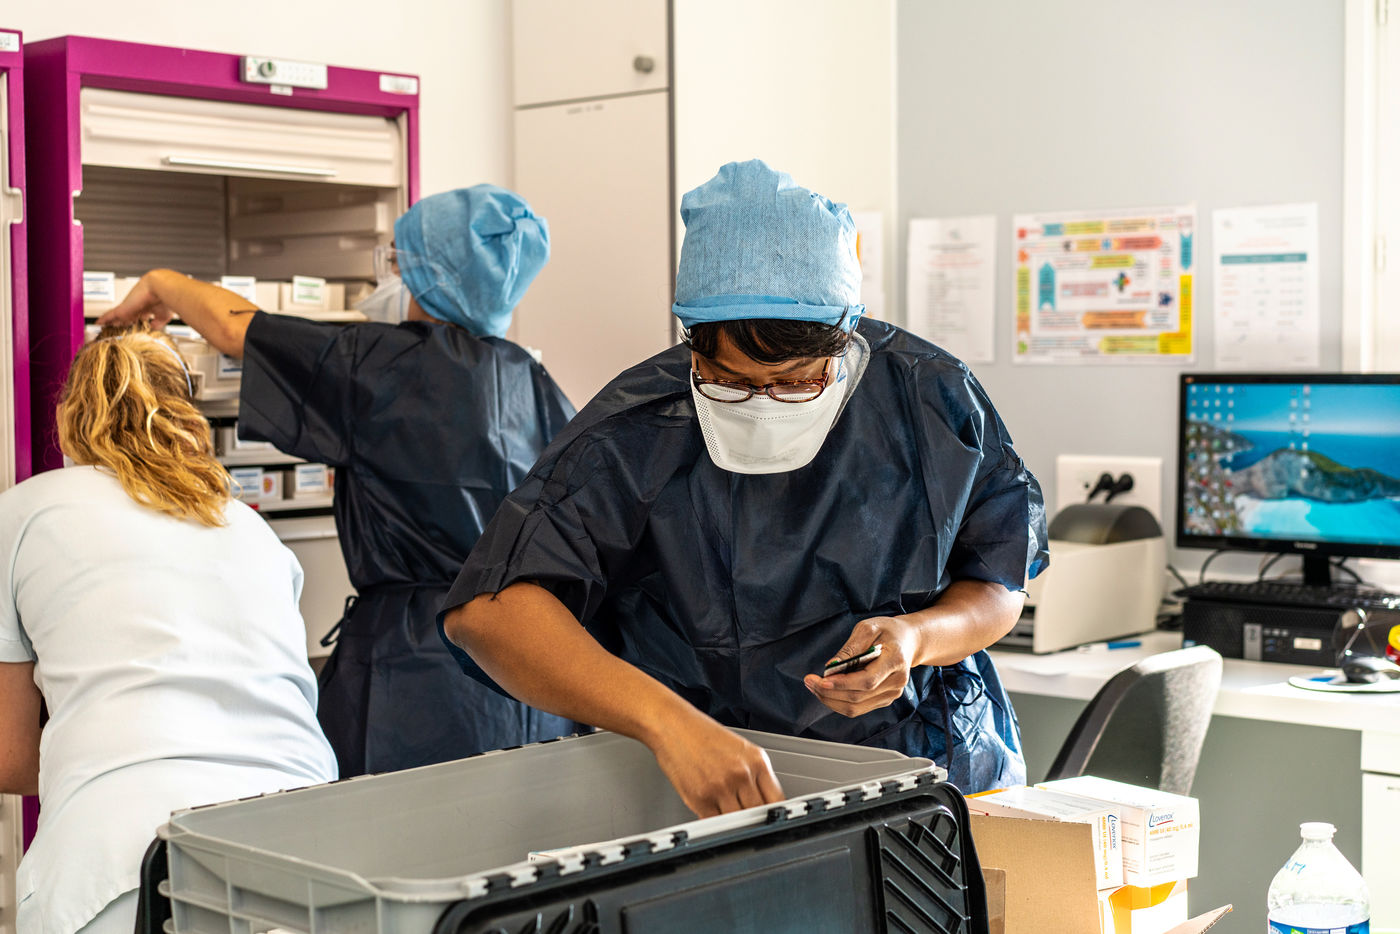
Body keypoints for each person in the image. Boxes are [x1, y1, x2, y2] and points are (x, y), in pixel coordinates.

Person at [441, 160, 1048, 817]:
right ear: (692, 345)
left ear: (845, 336)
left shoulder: (928, 397)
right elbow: (490, 614)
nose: (764, 403)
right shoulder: (636, 429)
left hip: (923, 771)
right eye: (729, 381)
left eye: (797, 382)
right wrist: (666, 722)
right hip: (707, 784)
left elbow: (998, 581)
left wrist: (916, 638)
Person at [99, 185, 579, 778]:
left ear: (429, 275)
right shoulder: (536, 382)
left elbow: (234, 327)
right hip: (531, 666)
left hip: (415, 674)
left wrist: (161, 282)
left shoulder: (380, 364)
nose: (390, 275)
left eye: (398, 260)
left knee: (389, 828)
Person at [0, 327, 337, 934]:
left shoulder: (24, 511)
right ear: (186, 414)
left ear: (68, 417)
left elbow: (9, 756)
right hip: (302, 836)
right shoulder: (249, 527)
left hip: (120, 860)